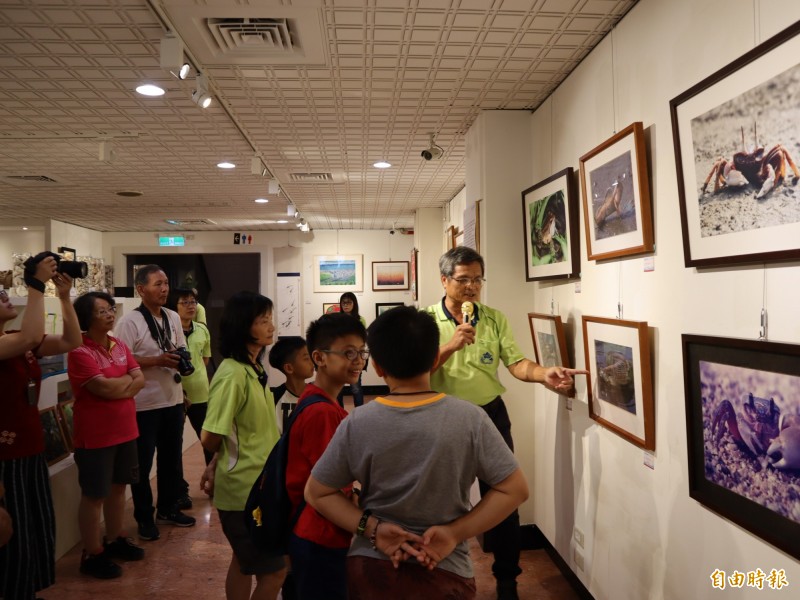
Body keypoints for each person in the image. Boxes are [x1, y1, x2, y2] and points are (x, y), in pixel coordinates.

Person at [305, 306, 529, 599]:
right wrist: (455, 533)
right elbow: (515, 490)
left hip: (372, 565)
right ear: (436, 357)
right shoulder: (470, 418)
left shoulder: (358, 422)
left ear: (378, 368)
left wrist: (372, 528)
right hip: (446, 569)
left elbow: (317, 492)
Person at [423, 246, 585, 600]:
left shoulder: (493, 318)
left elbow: (516, 363)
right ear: (444, 281)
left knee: (504, 496)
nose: (471, 287)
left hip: (489, 414)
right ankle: (438, 571)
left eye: (477, 280)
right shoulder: (424, 321)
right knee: (440, 498)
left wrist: (544, 374)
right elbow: (417, 371)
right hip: (441, 416)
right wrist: (451, 345)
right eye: (463, 280)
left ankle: (507, 580)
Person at [0, 254, 82, 600]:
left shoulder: (17, 338)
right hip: (5, 455)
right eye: (1, 296)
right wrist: (35, 284)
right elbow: (32, 335)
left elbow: (70, 342)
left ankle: (26, 591)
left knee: (33, 527)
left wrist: (63, 298)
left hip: (30, 449)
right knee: (11, 530)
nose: (6, 296)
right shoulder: (12, 342)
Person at [200, 291, 285, 600]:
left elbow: (234, 432)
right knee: (274, 572)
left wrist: (214, 464)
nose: (271, 327)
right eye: (263, 321)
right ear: (243, 327)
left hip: (257, 486)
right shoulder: (232, 375)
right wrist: (218, 463)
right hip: (243, 493)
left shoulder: (254, 369)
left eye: (270, 319)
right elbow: (210, 436)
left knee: (243, 561)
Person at [286, 313, 367, 600]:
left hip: (317, 533)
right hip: (321, 536)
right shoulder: (323, 413)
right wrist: (369, 525)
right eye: (348, 352)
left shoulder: (315, 398)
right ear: (319, 357)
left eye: (362, 352)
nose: (358, 360)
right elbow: (328, 488)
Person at [68, 292, 146, 579]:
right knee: (94, 495)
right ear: (87, 318)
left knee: (118, 488)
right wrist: (126, 383)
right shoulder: (79, 351)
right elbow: (102, 388)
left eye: (111, 309)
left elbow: (140, 379)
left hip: (126, 431)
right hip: (95, 436)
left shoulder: (119, 344)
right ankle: (92, 552)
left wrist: (122, 384)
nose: (110, 314)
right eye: (102, 311)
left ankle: (115, 539)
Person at [115, 265, 196, 542]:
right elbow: (120, 361)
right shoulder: (129, 322)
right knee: (142, 464)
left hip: (171, 399)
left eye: (165, 284)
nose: (164, 289)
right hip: (143, 404)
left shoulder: (172, 316)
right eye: (157, 284)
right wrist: (157, 361)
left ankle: (168, 508)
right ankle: (144, 517)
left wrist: (178, 362)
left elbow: (178, 347)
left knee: (172, 460)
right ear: (141, 289)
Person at [169, 288, 213, 470]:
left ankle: (213, 480)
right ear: (174, 307)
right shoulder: (167, 331)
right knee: (173, 444)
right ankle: (179, 488)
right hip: (174, 394)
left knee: (208, 440)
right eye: (185, 302)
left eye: (193, 302)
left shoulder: (202, 329)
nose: (190, 306)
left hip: (200, 393)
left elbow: (205, 358)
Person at [268, 336, 315, 434]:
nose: (312, 362)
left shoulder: (317, 395)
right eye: (306, 358)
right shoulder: (274, 397)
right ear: (289, 368)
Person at [336, 292, 367, 407]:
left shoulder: (360, 320)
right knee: (338, 386)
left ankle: (359, 413)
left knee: (356, 387)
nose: (346, 305)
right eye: (343, 302)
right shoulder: (338, 319)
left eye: (349, 302)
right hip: (340, 355)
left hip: (355, 356)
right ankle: (339, 413)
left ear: (354, 304)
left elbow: (362, 339)